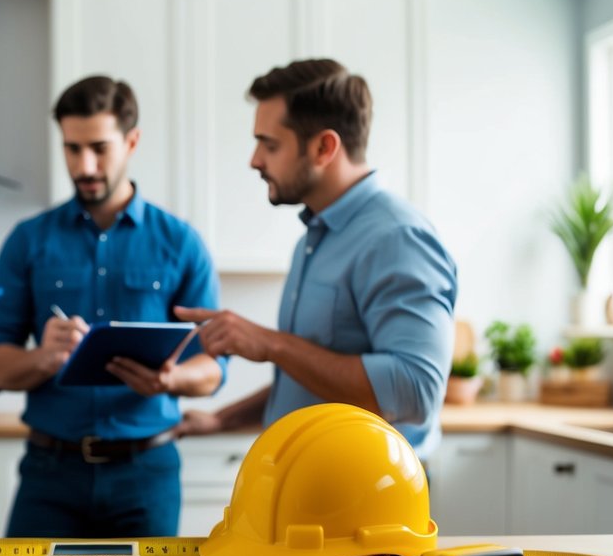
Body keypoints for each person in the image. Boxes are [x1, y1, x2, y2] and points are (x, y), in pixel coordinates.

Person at [0, 75, 227, 538]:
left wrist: (170, 380)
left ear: (132, 141)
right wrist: (41, 358)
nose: (84, 164)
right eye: (72, 149)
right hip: (49, 473)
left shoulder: (181, 243)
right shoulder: (27, 241)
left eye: (98, 147)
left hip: (147, 473)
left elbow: (213, 367)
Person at [177, 58, 457, 461]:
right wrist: (223, 419)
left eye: (270, 144)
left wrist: (271, 344)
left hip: (363, 503)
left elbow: (416, 392)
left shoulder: (397, 237)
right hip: (308, 492)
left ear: (324, 147)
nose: (255, 160)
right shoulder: (315, 238)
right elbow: (310, 381)